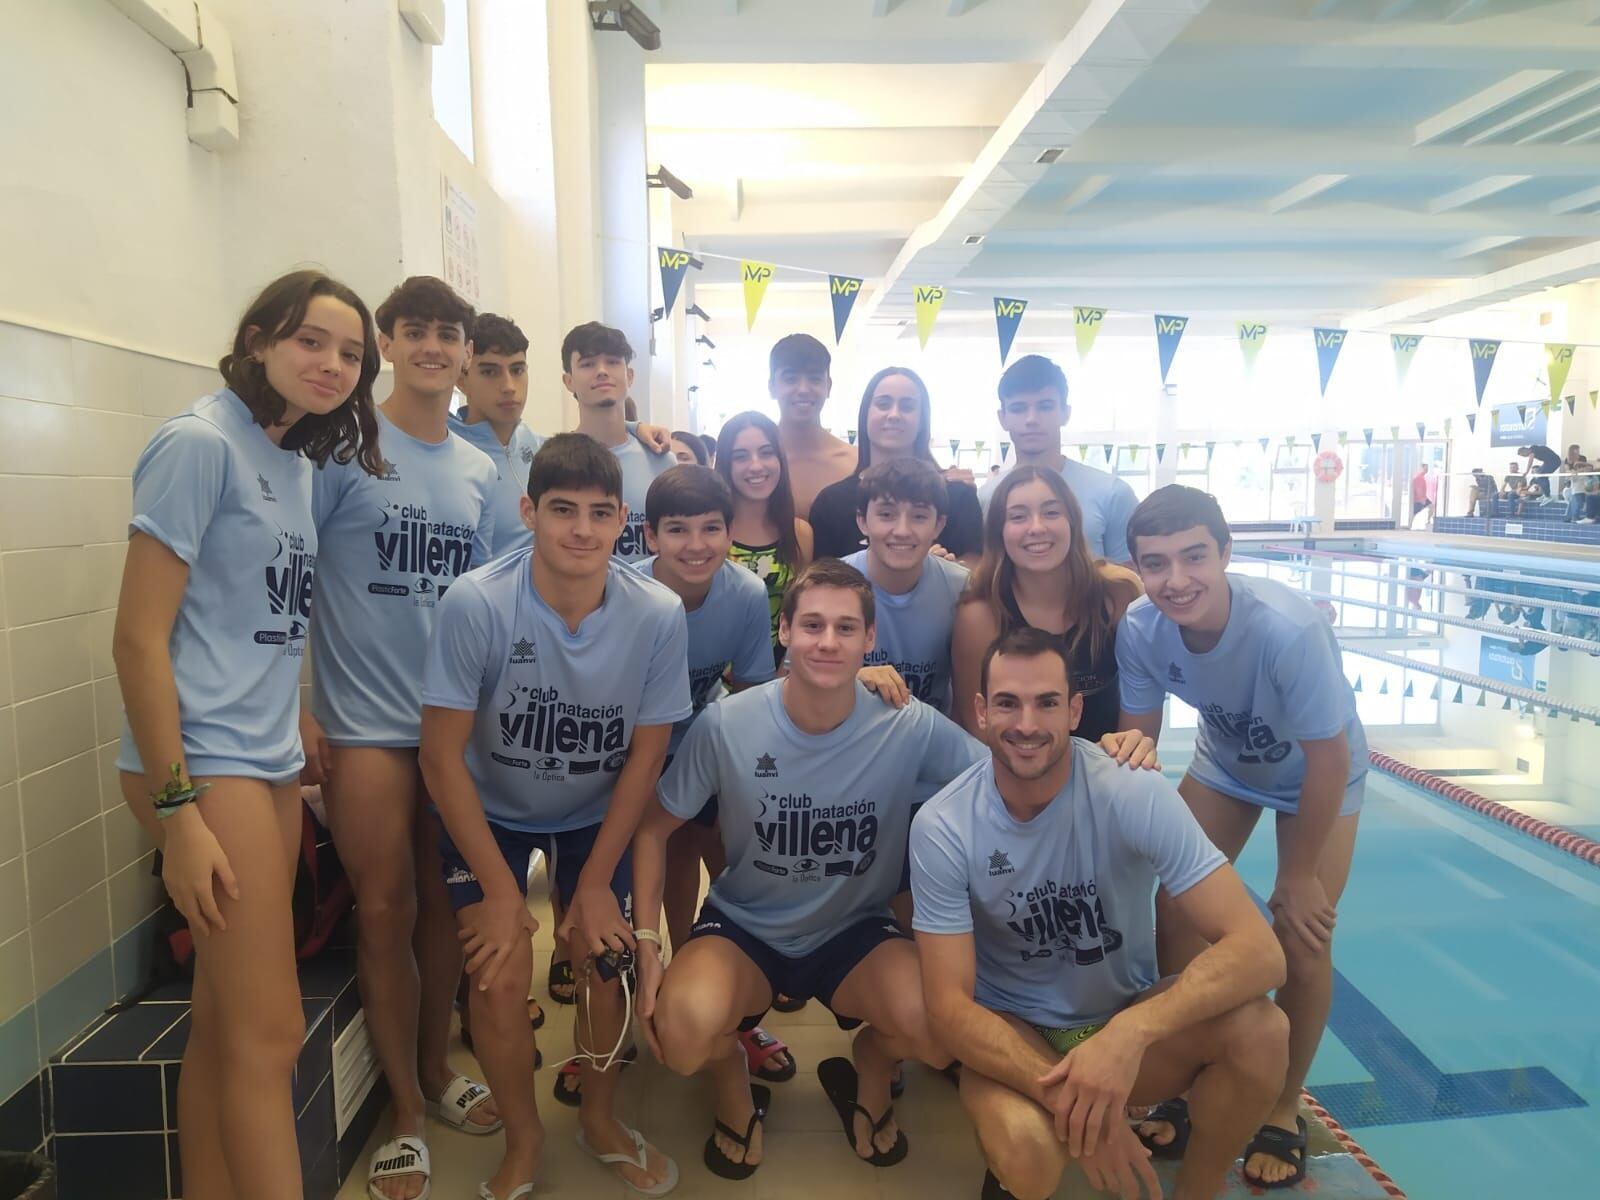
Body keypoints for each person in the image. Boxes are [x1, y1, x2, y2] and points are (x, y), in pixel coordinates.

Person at [113, 270, 382, 1199]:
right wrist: (179, 812)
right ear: (260, 338)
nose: (332, 365)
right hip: (201, 767)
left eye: (351, 352)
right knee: (272, 1038)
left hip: (261, 757)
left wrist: (296, 708)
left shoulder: (294, 463)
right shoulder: (198, 444)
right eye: (312, 340)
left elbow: (254, 614)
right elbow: (138, 639)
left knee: (225, 1027)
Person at [632, 560, 989, 1179]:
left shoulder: (907, 722)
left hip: (855, 929)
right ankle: (732, 1083)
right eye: (813, 625)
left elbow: (1001, 786)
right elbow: (653, 829)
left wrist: (1111, 754)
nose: (828, 642)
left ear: (870, 640)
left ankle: (871, 1067)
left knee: (940, 1031)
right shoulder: (727, 724)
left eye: (846, 629)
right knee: (682, 1036)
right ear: (786, 632)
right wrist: (646, 942)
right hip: (746, 927)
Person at [914, 628, 1289, 1200]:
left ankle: (1198, 1190)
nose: (1028, 724)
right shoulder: (944, 826)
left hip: (1119, 1016)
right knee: (1031, 1159)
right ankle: (1036, 1136)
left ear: (1075, 710)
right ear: (982, 712)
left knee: (1263, 1031)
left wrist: (1130, 1035)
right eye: (1009, 703)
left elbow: (1261, 954)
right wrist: (1083, 1104)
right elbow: (947, 1008)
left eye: (1047, 702)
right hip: (1013, 1033)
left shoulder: (1132, 790)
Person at [419, 433, 690, 1199]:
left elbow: (645, 758)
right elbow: (440, 759)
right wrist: (503, 896)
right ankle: (526, 1135)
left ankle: (598, 1118)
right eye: (562, 510)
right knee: (499, 974)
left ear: (622, 522)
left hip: (594, 812)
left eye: (599, 514)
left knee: (604, 963)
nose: (580, 529)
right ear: (528, 512)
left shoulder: (657, 613)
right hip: (490, 809)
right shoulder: (476, 602)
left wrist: (597, 882)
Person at [300, 276, 501, 1200]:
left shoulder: (476, 468)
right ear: (387, 341)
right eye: (414, 331)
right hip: (366, 729)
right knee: (383, 911)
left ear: (465, 350)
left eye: (446, 334)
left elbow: (490, 603)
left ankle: (434, 1071)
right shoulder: (338, 451)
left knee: (438, 911)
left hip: (448, 732)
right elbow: (287, 582)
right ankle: (407, 1118)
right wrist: (295, 707)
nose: (432, 347)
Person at [1115, 485, 1367, 1190]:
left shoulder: (1287, 630)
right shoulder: (1140, 626)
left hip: (1318, 777)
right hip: (1227, 765)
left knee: (1301, 931)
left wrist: (1299, 873)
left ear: (1226, 552)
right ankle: (1194, 1066)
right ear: (1138, 568)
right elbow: (1140, 739)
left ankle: (1283, 1109)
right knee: (1174, 906)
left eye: (1194, 557)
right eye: (1156, 563)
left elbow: (1329, 758)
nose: (1176, 580)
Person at [634, 465, 797, 1084]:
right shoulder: (624, 593)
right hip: (630, 755)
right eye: (678, 530)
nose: (696, 544)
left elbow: (753, 693)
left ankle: (728, 1003)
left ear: (732, 533)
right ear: (651, 536)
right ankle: (651, 1001)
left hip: (704, 743)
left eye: (711, 528)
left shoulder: (747, 595)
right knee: (652, 867)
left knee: (727, 861)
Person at [452, 313, 672, 560]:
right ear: (461, 379)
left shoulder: (539, 448)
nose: (508, 386)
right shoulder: (452, 453)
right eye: (490, 372)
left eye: (517, 370)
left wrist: (634, 429)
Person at [952, 468, 1143, 747]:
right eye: (1018, 516)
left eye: (1052, 513)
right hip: (1019, 773)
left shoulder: (1116, 596)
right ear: (998, 532)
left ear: (1072, 523)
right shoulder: (981, 616)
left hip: (1106, 771)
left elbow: (1139, 708)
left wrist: (1120, 771)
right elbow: (977, 728)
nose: (1037, 527)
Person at [808, 366, 984, 564]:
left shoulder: (957, 495)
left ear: (922, 420)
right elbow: (821, 583)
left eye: (907, 407)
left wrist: (937, 571)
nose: (894, 415)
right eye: (883, 404)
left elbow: (976, 571)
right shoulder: (831, 502)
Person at [976, 356, 1138, 564]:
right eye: (1018, 408)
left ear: (1065, 413)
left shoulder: (1113, 493)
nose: (1031, 419)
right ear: (1002, 418)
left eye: (1045, 407)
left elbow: (1132, 581)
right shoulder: (985, 499)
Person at [844, 458, 970, 714]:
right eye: (886, 514)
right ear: (862, 521)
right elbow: (791, 682)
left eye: (919, 516)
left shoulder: (962, 589)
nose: (902, 530)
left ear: (939, 525)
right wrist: (850, 680)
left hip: (933, 742)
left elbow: (972, 703)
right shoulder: (828, 587)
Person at [561, 321, 676, 563]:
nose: (602, 371)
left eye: (613, 362)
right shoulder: (555, 462)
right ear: (568, 381)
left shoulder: (661, 461)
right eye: (587, 364)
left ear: (630, 376)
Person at [717, 410, 815, 666]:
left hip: (778, 677)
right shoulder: (710, 534)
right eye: (741, 456)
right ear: (726, 464)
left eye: (766, 452)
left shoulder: (799, 534)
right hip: (714, 681)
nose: (756, 466)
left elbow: (801, 614)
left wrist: (785, 673)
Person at [767, 333, 856, 518]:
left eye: (815, 379)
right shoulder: (754, 464)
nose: (803, 390)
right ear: (772, 387)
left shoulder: (854, 462)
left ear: (828, 386)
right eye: (790, 379)